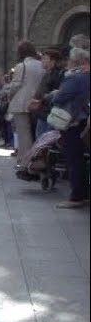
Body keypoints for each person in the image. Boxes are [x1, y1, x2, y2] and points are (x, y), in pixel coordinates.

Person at [51, 48, 89, 208]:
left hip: (72, 121)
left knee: (74, 159)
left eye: (69, 60)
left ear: (74, 62)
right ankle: (85, 193)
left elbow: (60, 97)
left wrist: (56, 93)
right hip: (83, 120)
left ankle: (76, 197)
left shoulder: (76, 78)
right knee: (81, 159)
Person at [0, 41, 44, 159]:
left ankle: (25, 160)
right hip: (37, 102)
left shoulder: (21, 66)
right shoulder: (41, 65)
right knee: (36, 132)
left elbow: (16, 85)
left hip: (21, 103)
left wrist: (7, 94)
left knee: (24, 134)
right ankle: (37, 158)